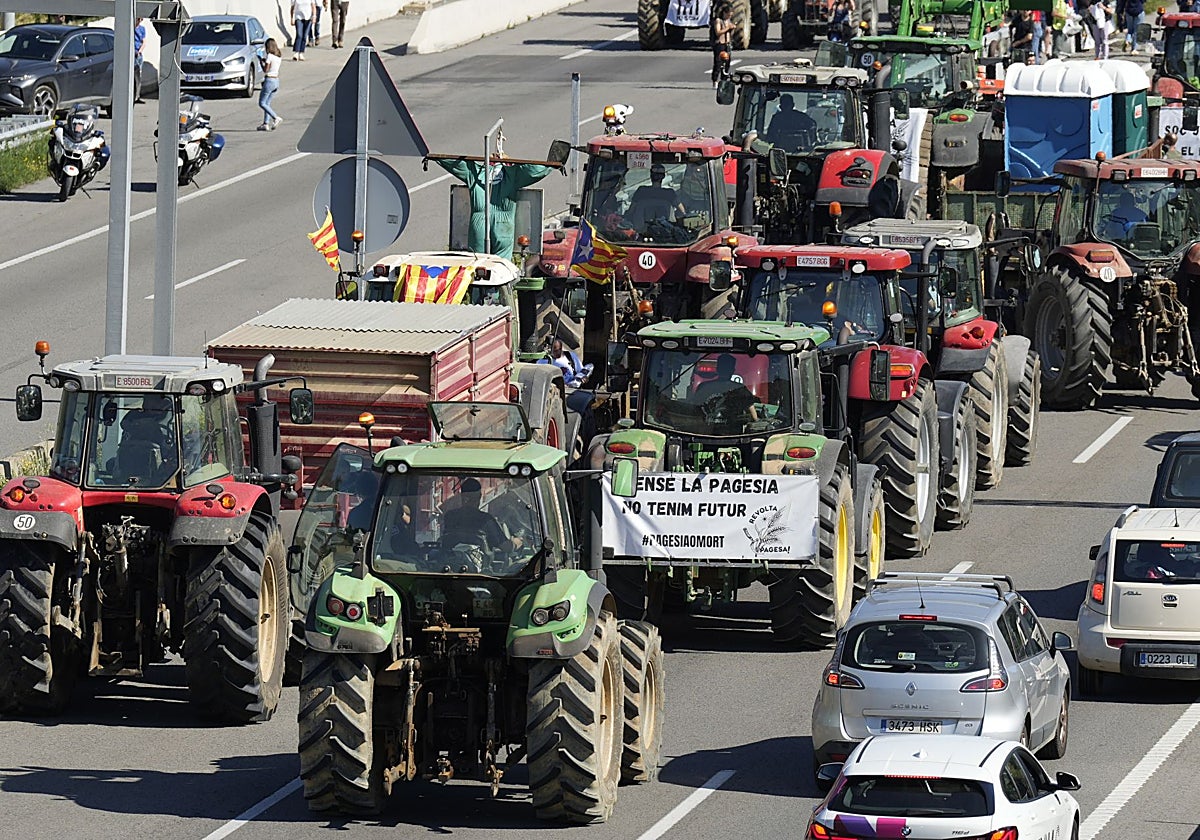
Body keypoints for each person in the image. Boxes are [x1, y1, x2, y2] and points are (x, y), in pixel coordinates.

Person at [433, 143, 553, 261]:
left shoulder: (476, 172)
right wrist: (551, 166)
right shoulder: (513, 174)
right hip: (504, 224)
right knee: (502, 266)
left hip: (479, 223)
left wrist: (435, 158)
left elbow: (454, 164)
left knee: (477, 263)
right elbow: (535, 171)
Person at [443, 478, 522, 554]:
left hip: (450, 564)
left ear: (461, 497)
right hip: (480, 566)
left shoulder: (449, 516)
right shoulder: (486, 520)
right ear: (479, 497)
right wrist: (516, 542)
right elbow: (505, 547)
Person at [692, 354, 759, 427]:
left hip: (705, 433)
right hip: (734, 435)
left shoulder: (704, 387)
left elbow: (693, 412)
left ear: (718, 369)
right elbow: (754, 417)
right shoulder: (740, 389)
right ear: (732, 370)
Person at [627, 163, 685, 228]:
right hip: (667, 233)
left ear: (650, 176)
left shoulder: (641, 191)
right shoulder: (669, 193)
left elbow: (631, 211)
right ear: (663, 177)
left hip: (641, 232)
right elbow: (682, 211)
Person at [257, 39, 282, 130]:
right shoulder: (278, 57)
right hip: (276, 81)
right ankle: (265, 124)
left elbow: (265, 70)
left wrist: (261, 61)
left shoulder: (269, 56)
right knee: (267, 103)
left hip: (269, 80)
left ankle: (275, 117)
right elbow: (272, 65)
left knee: (262, 103)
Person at [711, 5, 735, 88]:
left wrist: (732, 29)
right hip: (719, 44)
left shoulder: (728, 21)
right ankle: (715, 80)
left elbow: (730, 34)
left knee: (727, 63)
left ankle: (723, 80)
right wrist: (728, 27)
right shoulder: (718, 21)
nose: (729, 17)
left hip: (727, 43)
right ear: (724, 13)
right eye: (729, 15)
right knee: (718, 63)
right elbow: (718, 32)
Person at [133, 17, 146, 104]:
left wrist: (139, 51)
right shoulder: (131, 28)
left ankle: (137, 96)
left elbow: (144, 42)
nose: (139, 21)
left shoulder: (142, 29)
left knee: (138, 76)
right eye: (138, 19)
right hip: (132, 53)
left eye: (141, 19)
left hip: (138, 54)